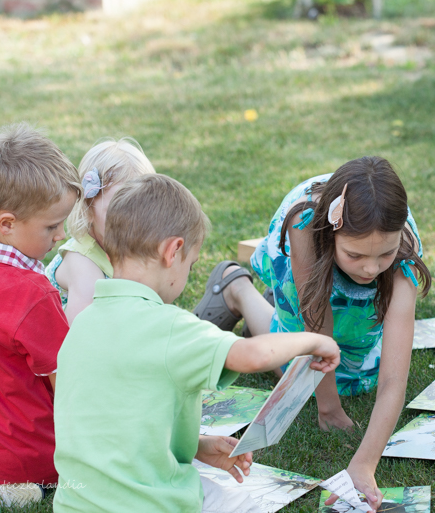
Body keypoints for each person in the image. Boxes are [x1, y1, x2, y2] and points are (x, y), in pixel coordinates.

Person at [52, 174, 341, 513]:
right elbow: (251, 355)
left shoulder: (80, 325)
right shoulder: (169, 327)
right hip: (150, 505)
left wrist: (197, 446)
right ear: (173, 251)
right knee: (242, 502)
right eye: (190, 264)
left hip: (74, 504)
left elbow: (116, 425)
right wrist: (315, 339)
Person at [193, 156, 431, 511]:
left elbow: (393, 379)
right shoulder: (305, 225)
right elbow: (316, 326)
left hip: (335, 265)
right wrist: (328, 407)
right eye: (355, 255)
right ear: (332, 235)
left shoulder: (403, 255)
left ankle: (272, 300)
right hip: (310, 272)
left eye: (384, 254)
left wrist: (364, 464)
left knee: (357, 376)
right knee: (291, 368)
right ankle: (237, 288)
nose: (370, 268)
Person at [0, 123, 81, 506]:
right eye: (51, 226)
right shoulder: (32, 293)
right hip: (39, 455)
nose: (60, 235)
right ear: (7, 224)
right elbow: (68, 384)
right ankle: (20, 490)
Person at [45, 137, 155, 324]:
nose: (133, 221)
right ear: (88, 208)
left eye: (142, 208)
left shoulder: (126, 250)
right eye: (118, 210)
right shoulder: (83, 262)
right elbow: (81, 331)